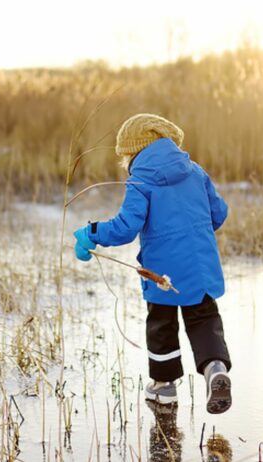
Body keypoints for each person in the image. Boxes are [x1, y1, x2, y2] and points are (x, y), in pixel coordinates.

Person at [73, 113, 232, 414]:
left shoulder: (141, 181)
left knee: (162, 323)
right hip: (201, 266)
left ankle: (164, 386)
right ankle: (215, 370)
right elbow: (219, 214)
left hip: (163, 273)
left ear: (132, 152)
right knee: (204, 318)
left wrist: (92, 232)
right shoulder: (196, 172)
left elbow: (124, 228)